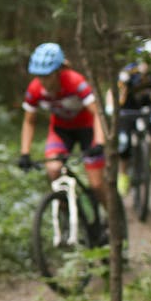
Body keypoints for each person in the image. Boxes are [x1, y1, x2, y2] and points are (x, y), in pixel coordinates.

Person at [17, 41, 109, 207]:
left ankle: (112, 219)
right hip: (61, 130)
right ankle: (67, 215)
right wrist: (25, 153)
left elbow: (98, 114)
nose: (43, 81)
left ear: (59, 71)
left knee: (96, 184)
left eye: (47, 76)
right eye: (39, 76)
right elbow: (29, 122)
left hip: (88, 130)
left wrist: (100, 142)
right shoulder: (34, 89)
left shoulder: (75, 82)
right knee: (53, 169)